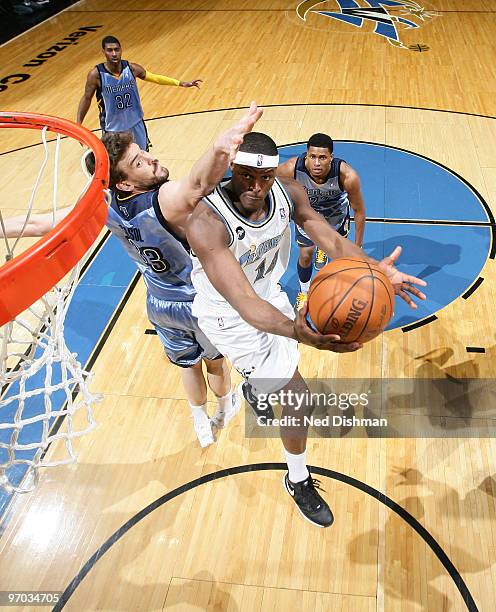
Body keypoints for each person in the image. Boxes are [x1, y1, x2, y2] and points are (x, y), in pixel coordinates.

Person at [186, 131, 426, 527]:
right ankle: (296, 479)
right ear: (232, 168)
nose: (257, 187)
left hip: (269, 298)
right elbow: (244, 302)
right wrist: (300, 333)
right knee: (298, 397)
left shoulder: (287, 192)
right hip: (227, 314)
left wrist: (374, 271)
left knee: (281, 379)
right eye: (248, 177)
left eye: (264, 178)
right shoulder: (207, 220)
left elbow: (331, 239)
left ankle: (254, 384)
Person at [1, 103, 263, 448]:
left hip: (159, 303)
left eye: (144, 153)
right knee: (214, 362)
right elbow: (198, 183)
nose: (151, 159)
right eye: (138, 162)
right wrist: (220, 146)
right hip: (201, 302)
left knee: (187, 366)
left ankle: (200, 420)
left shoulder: (103, 205)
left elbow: (39, 223)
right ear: (124, 182)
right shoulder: (162, 201)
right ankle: (224, 406)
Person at [277, 133, 366, 309]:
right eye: (312, 157)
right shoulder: (290, 169)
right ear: (307, 155)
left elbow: (359, 211)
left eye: (322, 158)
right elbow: (269, 185)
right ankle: (304, 292)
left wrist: (358, 246)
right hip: (308, 220)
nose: (316, 163)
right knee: (305, 255)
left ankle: (325, 253)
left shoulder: (347, 176)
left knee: (339, 257)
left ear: (331, 158)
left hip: (336, 219)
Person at [76, 35, 202, 151]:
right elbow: (87, 98)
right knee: (118, 166)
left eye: (117, 49)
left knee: (143, 158)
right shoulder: (96, 75)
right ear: (103, 52)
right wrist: (78, 124)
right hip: (113, 129)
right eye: (110, 50)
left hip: (136, 123)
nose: (114, 54)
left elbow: (155, 78)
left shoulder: (131, 68)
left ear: (121, 50)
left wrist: (180, 83)